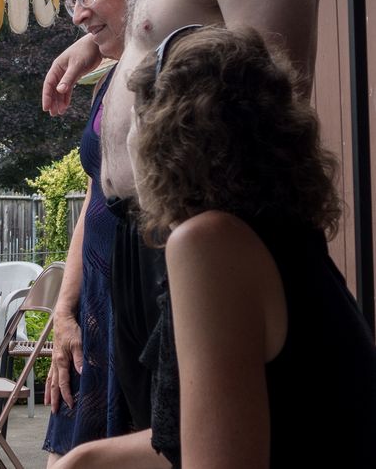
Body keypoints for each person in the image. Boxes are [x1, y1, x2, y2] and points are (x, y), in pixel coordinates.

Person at [43, 0, 319, 434]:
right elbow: (166, 40)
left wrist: (210, 266)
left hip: (208, 249)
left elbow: (267, 111)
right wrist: (96, 50)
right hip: (143, 247)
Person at [60, 25, 376, 467]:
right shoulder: (277, 234)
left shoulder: (211, 245)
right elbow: (214, 435)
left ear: (164, 135)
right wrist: (87, 459)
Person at [42, 0, 166, 465]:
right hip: (96, 294)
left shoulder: (171, 70)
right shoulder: (111, 78)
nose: (78, 13)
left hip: (148, 290)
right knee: (73, 446)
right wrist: (64, 311)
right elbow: (95, 196)